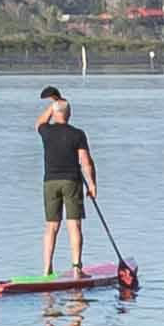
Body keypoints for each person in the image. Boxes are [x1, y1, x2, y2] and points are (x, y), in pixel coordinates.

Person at [35, 88, 106, 284]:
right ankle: (76, 268)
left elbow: (39, 123)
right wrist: (92, 184)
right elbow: (86, 161)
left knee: (51, 226)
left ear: (54, 113)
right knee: (74, 225)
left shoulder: (46, 131)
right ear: (69, 114)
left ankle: (47, 269)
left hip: (50, 183)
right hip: (72, 182)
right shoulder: (77, 134)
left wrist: (52, 106)